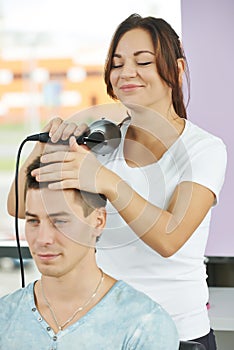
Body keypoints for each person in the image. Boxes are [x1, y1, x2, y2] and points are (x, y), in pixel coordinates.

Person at [7, 13, 227, 349]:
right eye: (117, 63)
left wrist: (106, 181)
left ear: (177, 70)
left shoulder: (204, 149)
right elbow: (19, 206)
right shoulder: (100, 144)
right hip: (104, 331)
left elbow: (170, 238)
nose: (127, 73)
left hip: (177, 334)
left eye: (143, 62)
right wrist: (46, 146)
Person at [1, 156, 179, 350]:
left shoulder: (144, 324)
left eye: (60, 221)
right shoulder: (5, 316)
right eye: (33, 221)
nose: (43, 239)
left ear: (98, 221)